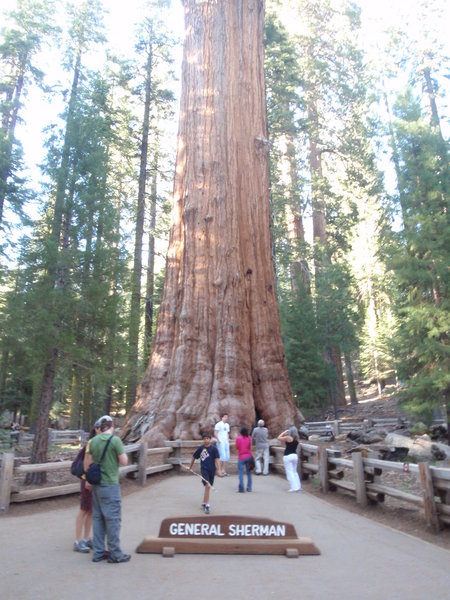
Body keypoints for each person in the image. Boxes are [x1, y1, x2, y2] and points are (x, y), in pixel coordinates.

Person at [84, 415, 130, 563]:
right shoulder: (115, 440)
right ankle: (115, 553)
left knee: (97, 518)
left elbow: (89, 462)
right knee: (113, 519)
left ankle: (98, 552)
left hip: (96, 485)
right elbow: (124, 461)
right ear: (111, 426)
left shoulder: (93, 441)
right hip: (110, 484)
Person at [73, 424, 99, 553]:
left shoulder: (98, 443)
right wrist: (88, 479)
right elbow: (86, 462)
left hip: (93, 481)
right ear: (96, 429)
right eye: (101, 427)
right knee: (84, 510)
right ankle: (78, 541)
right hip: (87, 480)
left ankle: (87, 538)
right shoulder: (92, 443)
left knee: (91, 510)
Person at [188, 432, 222, 514]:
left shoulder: (214, 449)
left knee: (208, 487)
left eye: (208, 438)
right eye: (205, 438)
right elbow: (194, 456)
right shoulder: (201, 449)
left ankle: (204, 502)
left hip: (212, 470)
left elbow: (217, 459)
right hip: (204, 470)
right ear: (203, 439)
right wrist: (190, 467)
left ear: (210, 439)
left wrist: (219, 470)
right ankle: (207, 505)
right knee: (207, 485)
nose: (206, 440)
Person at [278, 426, 301, 492]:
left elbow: (279, 438)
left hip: (288, 455)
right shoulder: (297, 439)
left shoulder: (288, 438)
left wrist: (284, 432)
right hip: (294, 455)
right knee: (294, 472)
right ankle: (298, 486)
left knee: (289, 472)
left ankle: (294, 487)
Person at [235, 427, 252, 493]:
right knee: (249, 473)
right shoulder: (249, 438)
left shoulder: (238, 438)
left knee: (241, 473)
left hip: (241, 457)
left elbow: (237, 447)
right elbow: (250, 447)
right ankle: (249, 487)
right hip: (248, 456)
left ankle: (241, 488)